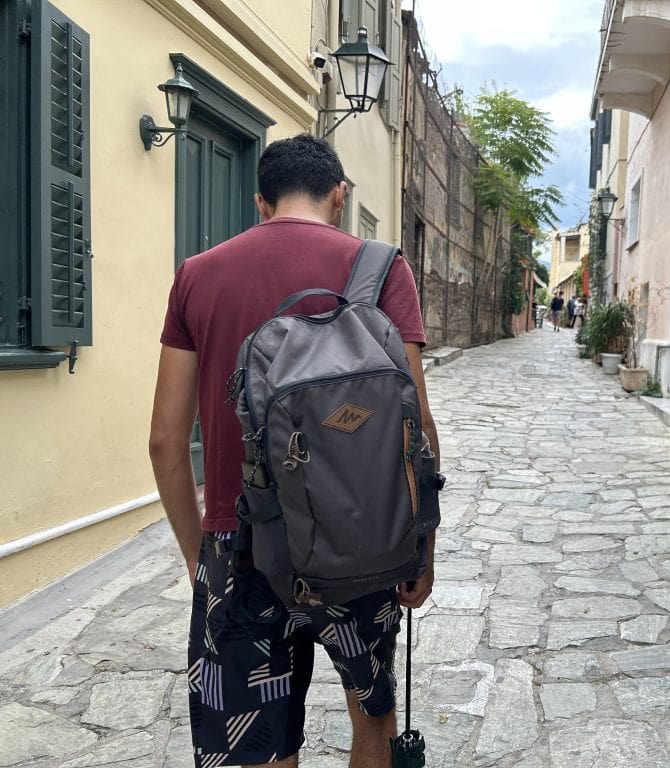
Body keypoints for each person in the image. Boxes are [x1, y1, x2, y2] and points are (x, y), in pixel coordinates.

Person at [149, 133, 439, 768]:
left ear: (261, 203)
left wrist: (203, 555)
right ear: (340, 196)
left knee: (256, 747)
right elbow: (414, 424)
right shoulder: (383, 267)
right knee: (374, 718)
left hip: (240, 548)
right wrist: (423, 544)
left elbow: (166, 440)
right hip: (361, 541)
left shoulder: (196, 276)